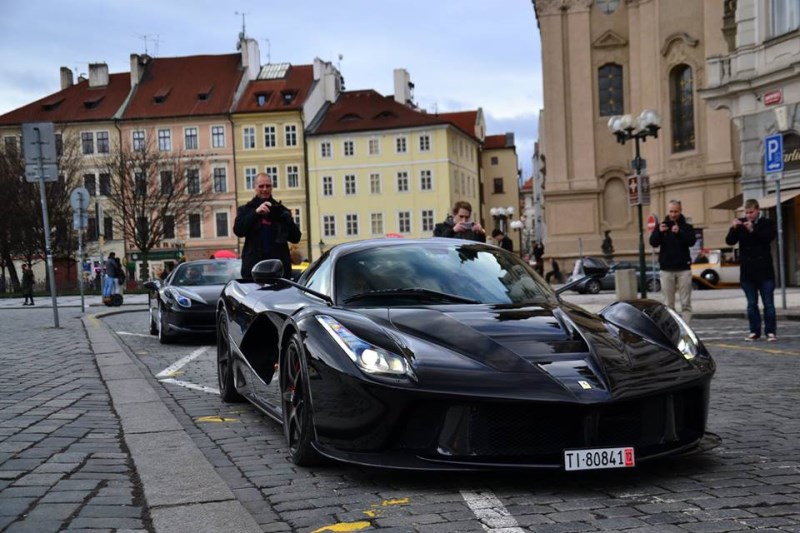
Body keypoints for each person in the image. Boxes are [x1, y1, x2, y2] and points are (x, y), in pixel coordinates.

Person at [725, 199, 777, 342]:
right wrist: (733, 228)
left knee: (768, 304)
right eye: (746, 213)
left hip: (765, 271)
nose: (748, 215)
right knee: (752, 304)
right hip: (748, 272)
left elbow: (768, 237)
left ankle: (770, 332)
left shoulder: (766, 223)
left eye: (751, 212)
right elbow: (729, 241)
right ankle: (754, 331)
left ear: (758, 210)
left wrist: (753, 230)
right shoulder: (741, 224)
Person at [234, 172, 302, 279]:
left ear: (272, 187)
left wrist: (287, 220)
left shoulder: (281, 210)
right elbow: (238, 231)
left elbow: (296, 238)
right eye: (261, 186)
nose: (265, 189)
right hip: (253, 269)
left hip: (278, 270)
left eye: (268, 186)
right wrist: (255, 213)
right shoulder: (246, 209)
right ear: (255, 188)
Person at [649, 199, 696, 322]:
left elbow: (692, 242)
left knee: (686, 303)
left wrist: (679, 232)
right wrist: (659, 232)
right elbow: (653, 242)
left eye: (676, 211)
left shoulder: (686, 226)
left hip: (683, 269)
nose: (673, 214)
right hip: (666, 269)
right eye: (671, 211)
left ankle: (686, 329)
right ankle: (672, 329)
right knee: (668, 305)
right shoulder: (662, 225)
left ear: (680, 211)